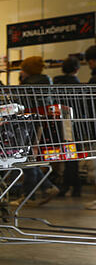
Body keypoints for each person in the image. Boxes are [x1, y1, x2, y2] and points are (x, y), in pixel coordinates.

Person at [14, 56, 58, 206]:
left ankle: (28, 195)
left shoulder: (28, 83)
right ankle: (47, 187)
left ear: (27, 70)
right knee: (30, 158)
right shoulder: (48, 80)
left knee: (27, 158)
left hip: (30, 123)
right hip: (43, 122)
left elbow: (21, 104)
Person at [52, 57, 81, 197]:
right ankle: (74, 186)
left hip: (60, 119)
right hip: (74, 122)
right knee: (73, 155)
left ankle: (65, 184)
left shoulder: (57, 81)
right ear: (77, 69)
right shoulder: (77, 84)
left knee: (65, 154)